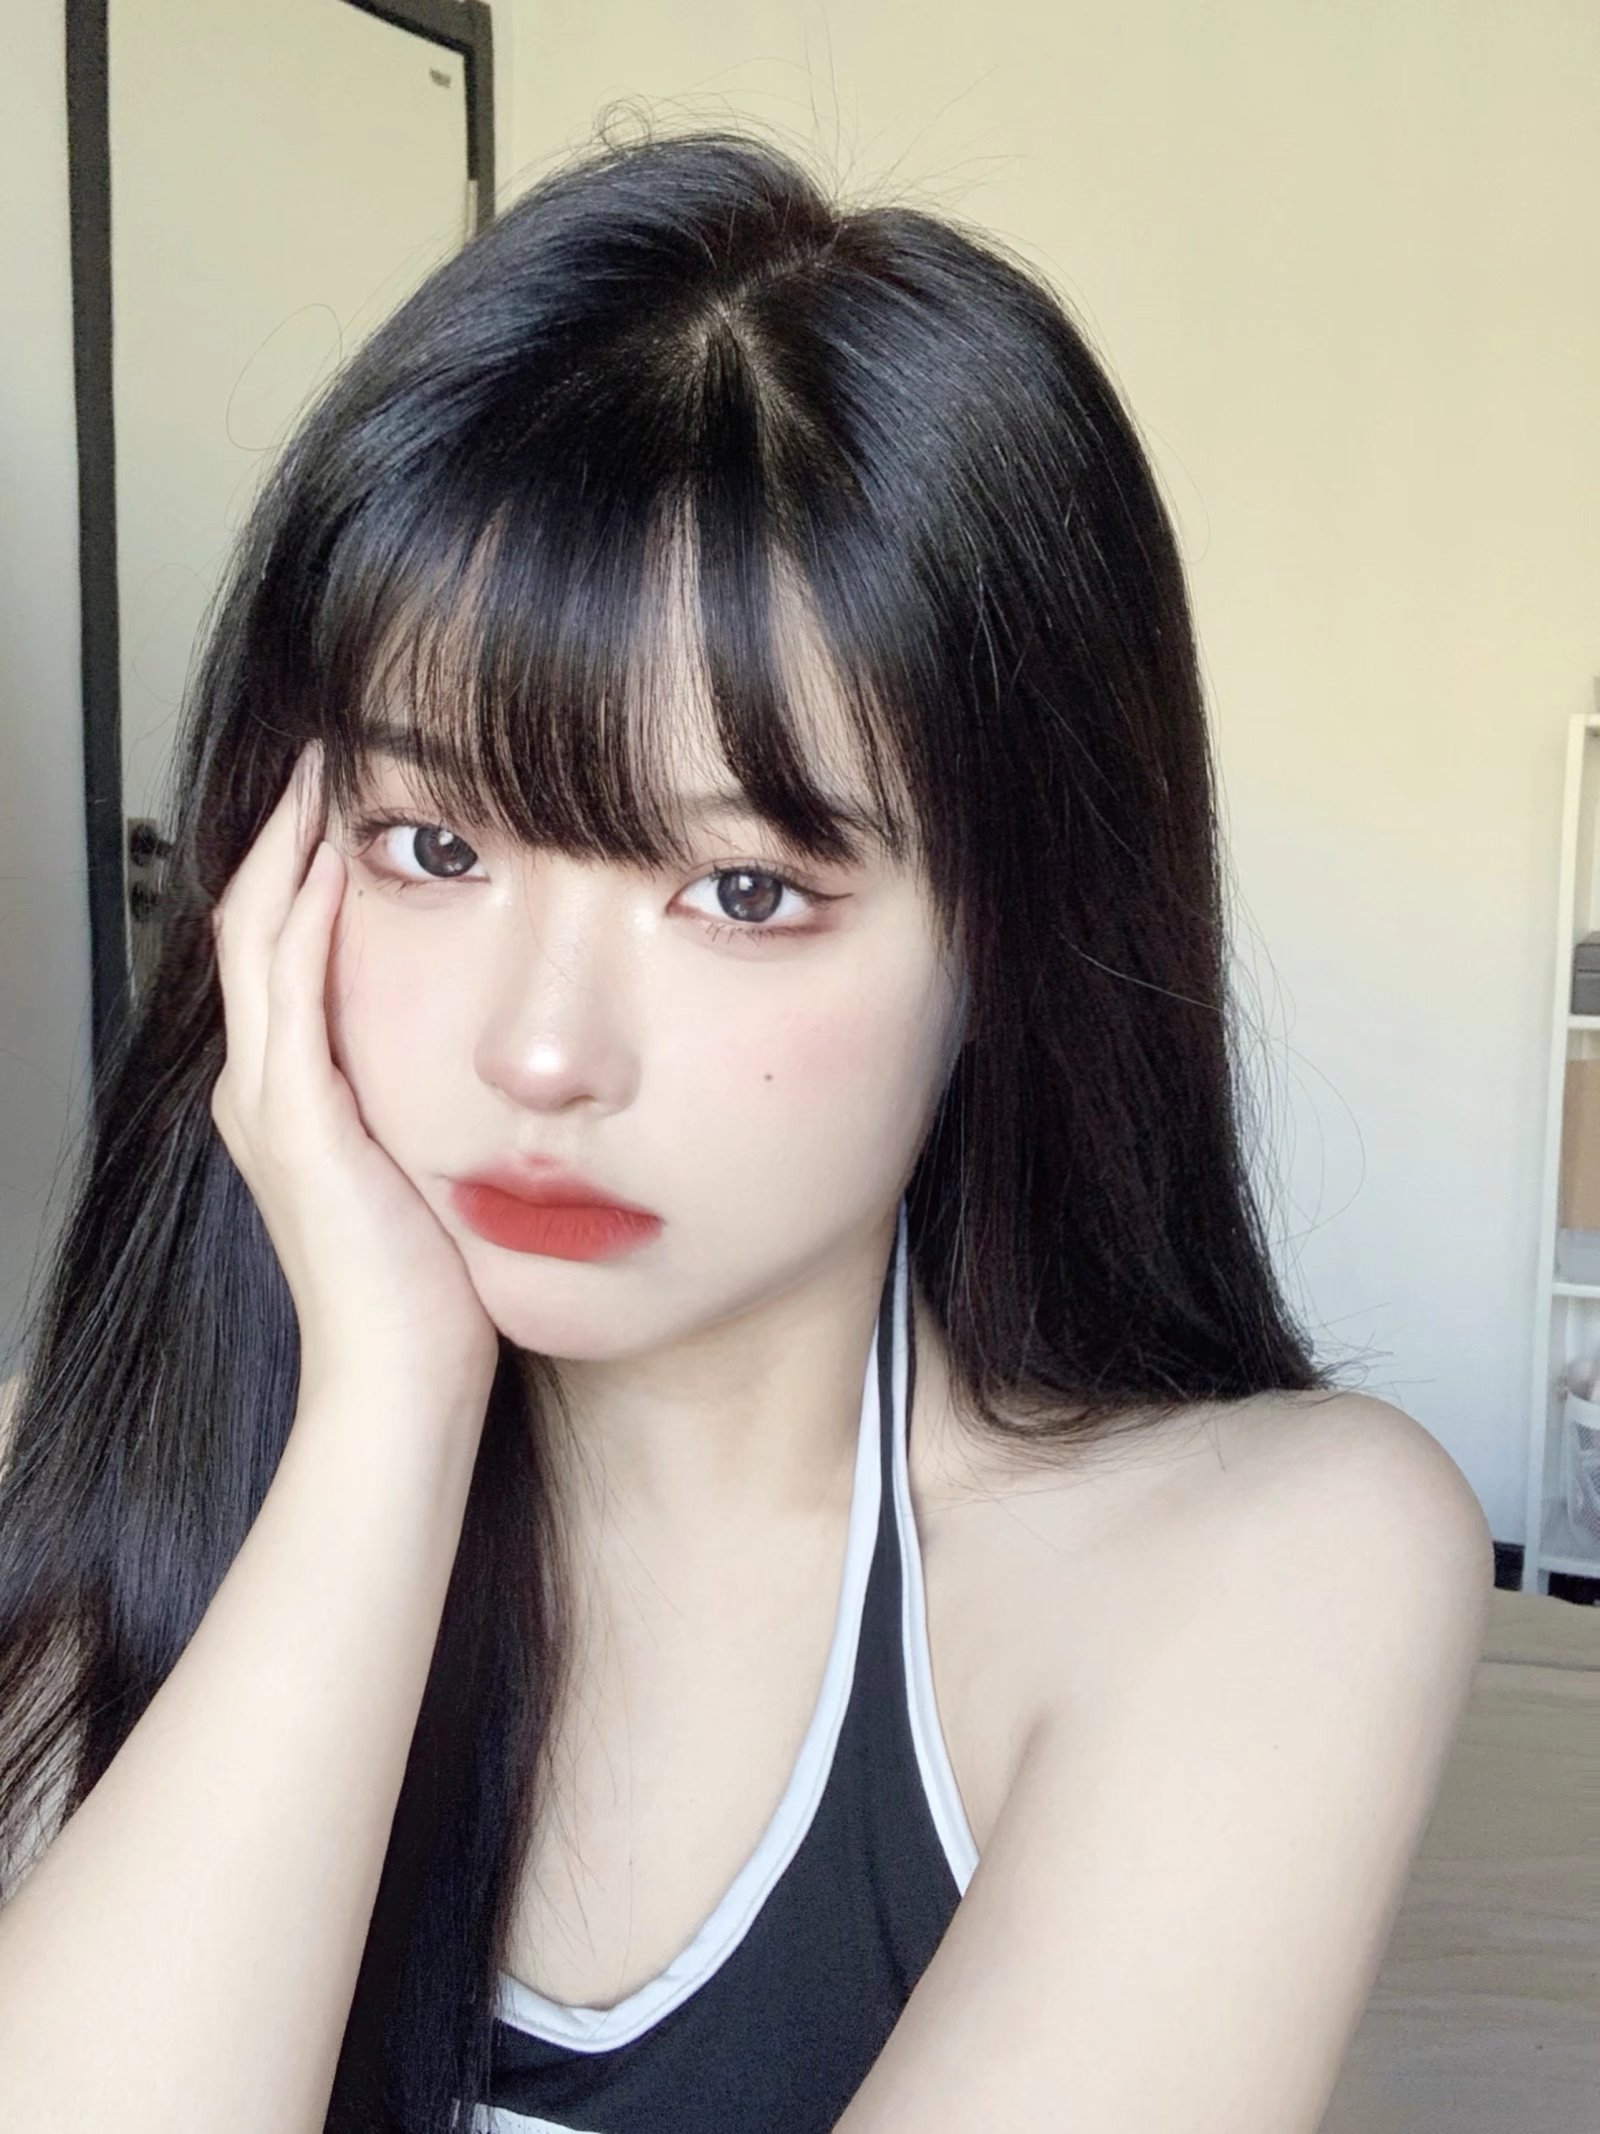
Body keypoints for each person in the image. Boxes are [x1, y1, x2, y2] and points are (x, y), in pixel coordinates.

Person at [0, 123, 1492, 2134]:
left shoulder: (1266, 1561)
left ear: (1017, 930)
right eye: (433, 845)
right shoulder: (108, 1464)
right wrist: (385, 1416)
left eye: (741, 888)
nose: (542, 1051)